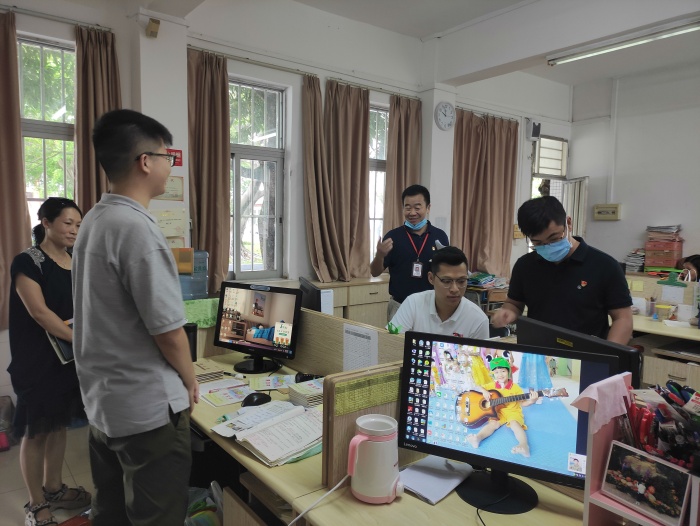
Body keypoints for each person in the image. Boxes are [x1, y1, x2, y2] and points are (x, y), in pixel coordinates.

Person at [72, 109, 199, 526]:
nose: (169, 166)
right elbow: (168, 332)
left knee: (111, 512)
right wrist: (190, 379)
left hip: (105, 404)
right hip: (147, 413)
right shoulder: (137, 229)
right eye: (167, 157)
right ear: (145, 161)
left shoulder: (95, 219)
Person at [8, 197, 91, 526]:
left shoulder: (74, 260)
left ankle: (54, 488)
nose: (74, 230)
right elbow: (40, 313)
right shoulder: (28, 262)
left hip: (67, 359)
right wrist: (82, 342)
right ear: (46, 222)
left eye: (78, 225)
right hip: (37, 361)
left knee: (58, 425)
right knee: (36, 432)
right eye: (68, 223)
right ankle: (36, 503)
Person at [491, 196, 633, 345]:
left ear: (568, 223)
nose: (548, 247)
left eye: (554, 238)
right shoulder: (524, 266)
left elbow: (623, 318)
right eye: (538, 242)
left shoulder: (605, 266)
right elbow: (514, 303)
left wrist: (609, 354)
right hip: (538, 352)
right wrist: (508, 312)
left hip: (586, 354)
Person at [370, 184, 449, 322]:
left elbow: (446, 271)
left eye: (417, 208)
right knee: (397, 337)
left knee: (426, 338)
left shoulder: (440, 236)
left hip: (432, 307)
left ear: (428, 208)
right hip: (399, 306)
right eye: (407, 208)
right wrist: (380, 255)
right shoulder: (393, 237)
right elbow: (374, 272)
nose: (412, 213)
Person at [388, 246, 489, 339]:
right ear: (431, 278)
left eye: (461, 281)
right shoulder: (413, 303)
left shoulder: (478, 320)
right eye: (446, 281)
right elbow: (390, 342)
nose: (455, 289)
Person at [466, 357, 538, 457]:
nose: (500, 375)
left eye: (503, 371)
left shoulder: (515, 387)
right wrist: (484, 391)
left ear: (508, 371)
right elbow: (478, 386)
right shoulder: (492, 385)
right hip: (497, 412)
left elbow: (522, 403)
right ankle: (477, 438)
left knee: (514, 424)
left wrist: (532, 401)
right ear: (493, 374)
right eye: (496, 372)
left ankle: (524, 446)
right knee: (493, 424)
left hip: (513, 411)